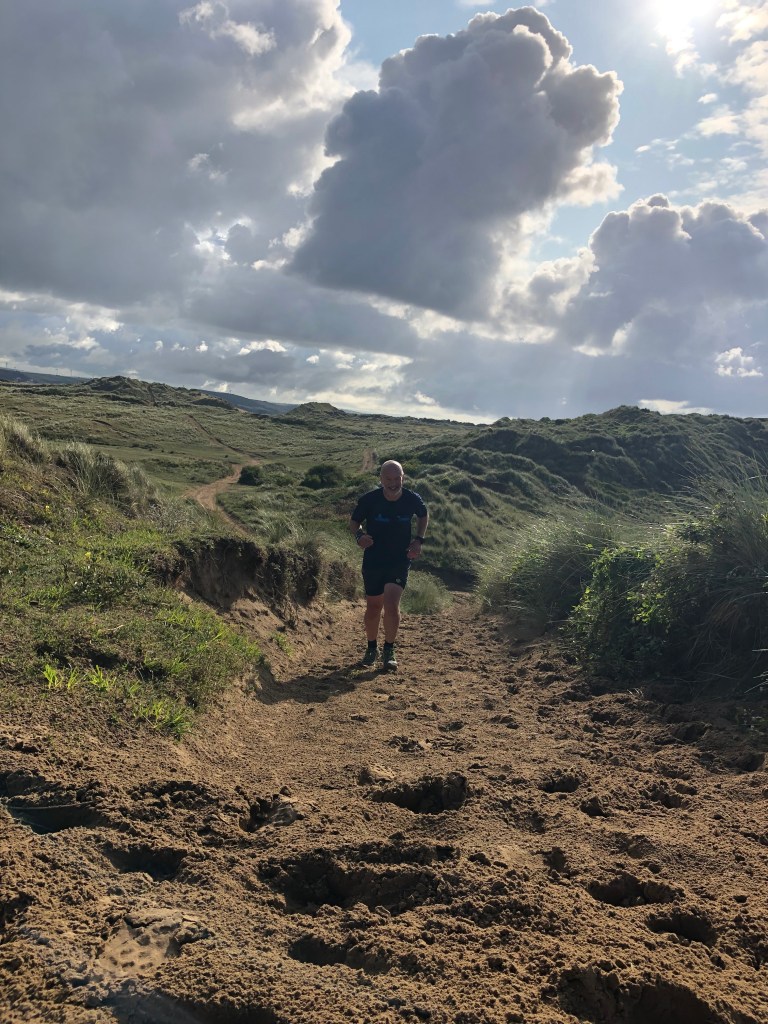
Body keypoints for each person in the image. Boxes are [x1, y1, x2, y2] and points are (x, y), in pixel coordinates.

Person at [349, 460, 428, 670]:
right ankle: (371, 648)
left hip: (399, 559)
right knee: (374, 607)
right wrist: (359, 536)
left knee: (392, 604)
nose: (393, 483)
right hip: (374, 559)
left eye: (397, 478)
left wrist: (418, 540)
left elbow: (423, 515)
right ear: (381, 479)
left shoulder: (412, 499)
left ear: (403, 477)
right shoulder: (370, 500)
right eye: (388, 479)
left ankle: (389, 650)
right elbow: (354, 522)